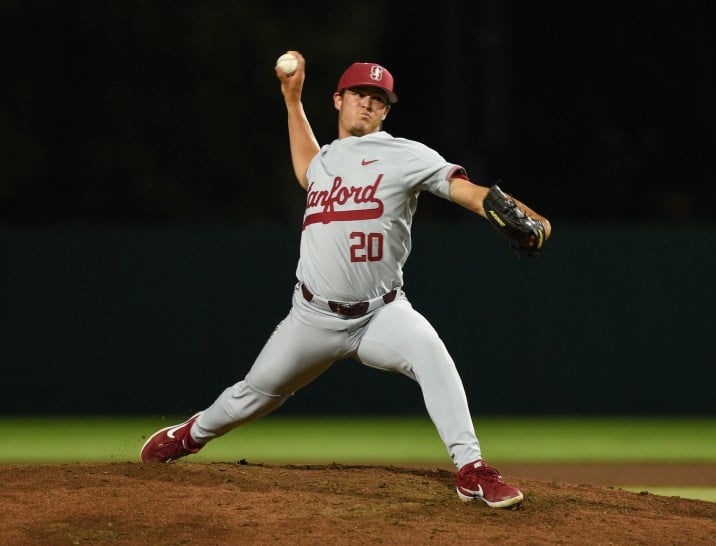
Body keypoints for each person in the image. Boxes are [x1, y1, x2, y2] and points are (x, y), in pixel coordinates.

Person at [140, 50, 551, 509]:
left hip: (381, 313)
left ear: (387, 109)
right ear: (338, 99)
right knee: (251, 396)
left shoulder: (405, 154)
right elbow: (305, 168)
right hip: (311, 317)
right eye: (360, 93)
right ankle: (189, 435)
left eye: (379, 98)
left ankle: (473, 470)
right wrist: (292, 100)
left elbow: (467, 192)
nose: (368, 103)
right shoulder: (325, 162)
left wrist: (522, 215)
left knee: (431, 354)